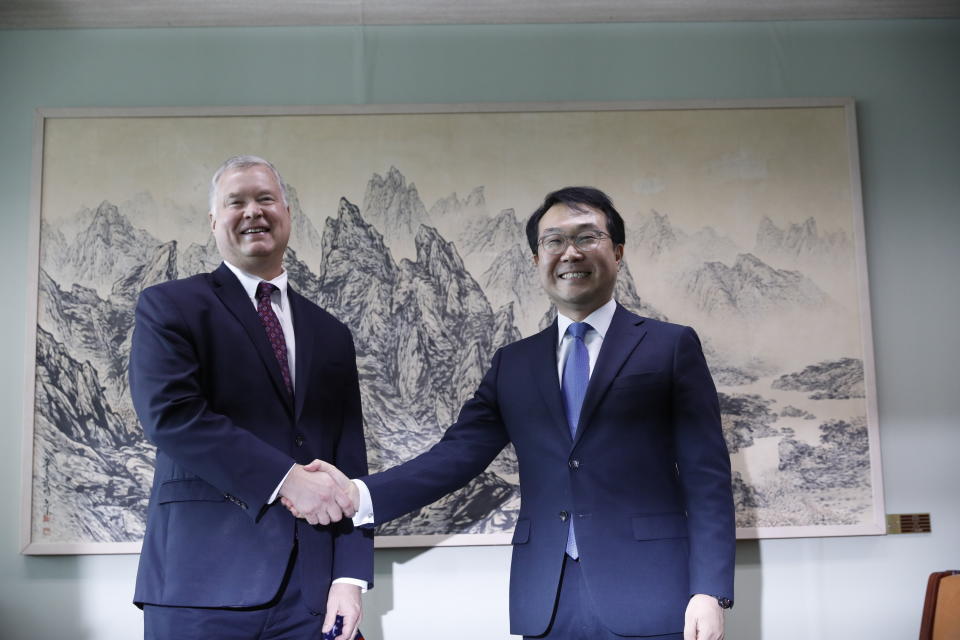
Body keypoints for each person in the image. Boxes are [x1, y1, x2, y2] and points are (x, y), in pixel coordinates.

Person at [292, 186, 735, 639]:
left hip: (655, 593)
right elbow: (455, 457)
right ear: (535, 259)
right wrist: (357, 496)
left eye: (587, 237)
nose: (570, 253)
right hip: (545, 598)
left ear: (617, 252)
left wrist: (710, 590)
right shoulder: (514, 363)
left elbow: (708, 478)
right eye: (554, 241)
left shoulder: (670, 346)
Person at [129, 155, 372, 640]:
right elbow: (173, 417)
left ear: (287, 212)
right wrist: (286, 480)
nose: (253, 211)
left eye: (265, 199)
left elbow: (349, 461)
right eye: (235, 202)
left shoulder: (331, 333)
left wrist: (349, 578)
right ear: (214, 221)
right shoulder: (169, 306)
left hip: (313, 593)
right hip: (198, 588)